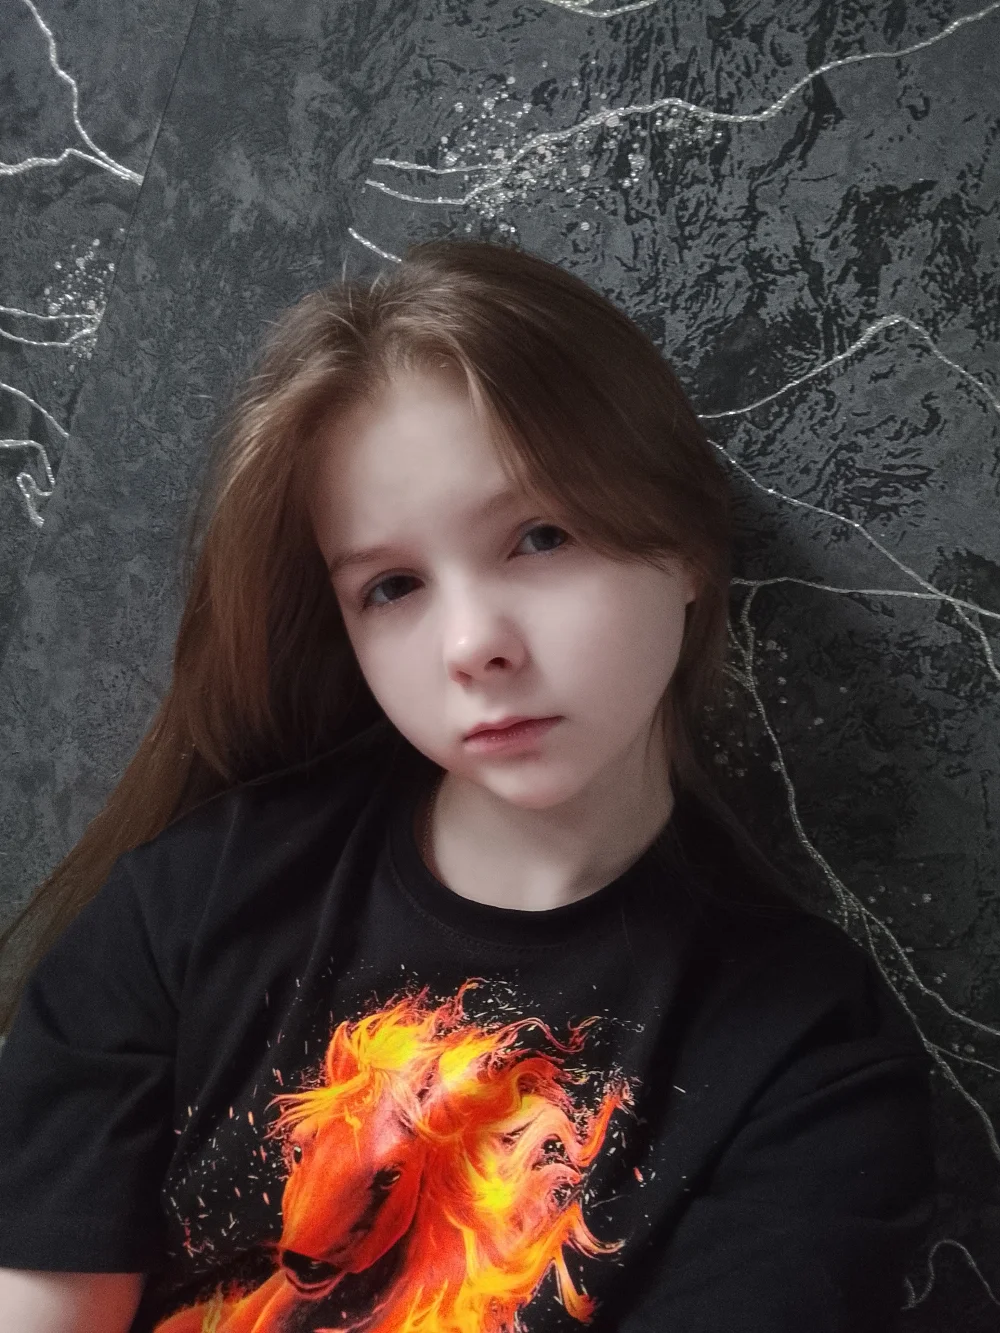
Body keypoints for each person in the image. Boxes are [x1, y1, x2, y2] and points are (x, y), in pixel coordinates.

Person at [0, 239, 935, 1332]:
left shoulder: (810, 1059)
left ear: (685, 545)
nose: (471, 644)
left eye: (540, 536)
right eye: (392, 585)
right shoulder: (184, 910)